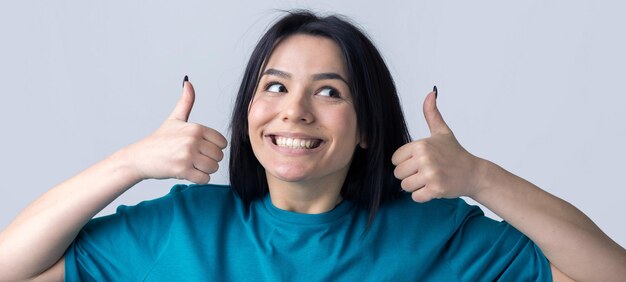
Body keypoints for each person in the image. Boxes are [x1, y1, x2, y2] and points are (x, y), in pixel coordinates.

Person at [0, 10, 625, 281]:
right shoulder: (183, 227)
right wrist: (130, 163)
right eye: (274, 86)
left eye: (328, 91)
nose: (294, 109)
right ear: (251, 111)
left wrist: (482, 178)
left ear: (368, 127)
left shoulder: (439, 235)